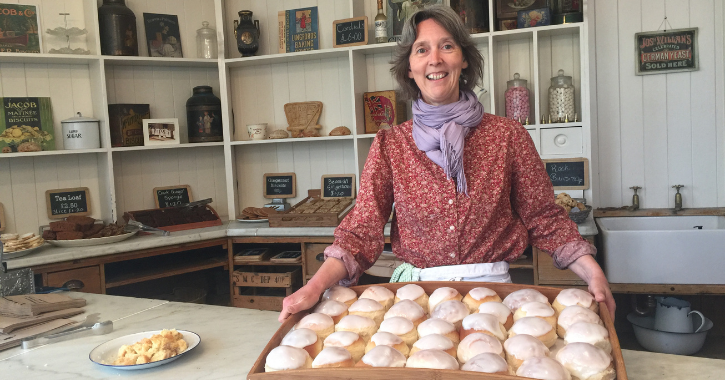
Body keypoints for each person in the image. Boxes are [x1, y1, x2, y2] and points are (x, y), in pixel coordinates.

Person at [278, 5, 615, 322]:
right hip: (416, 300)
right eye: (422, 50)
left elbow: (544, 217)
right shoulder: (391, 144)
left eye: (447, 46)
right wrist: (314, 287)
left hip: (492, 296)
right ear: (409, 68)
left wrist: (592, 271)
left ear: (464, 59)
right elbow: (361, 228)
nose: (434, 60)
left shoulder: (507, 136)